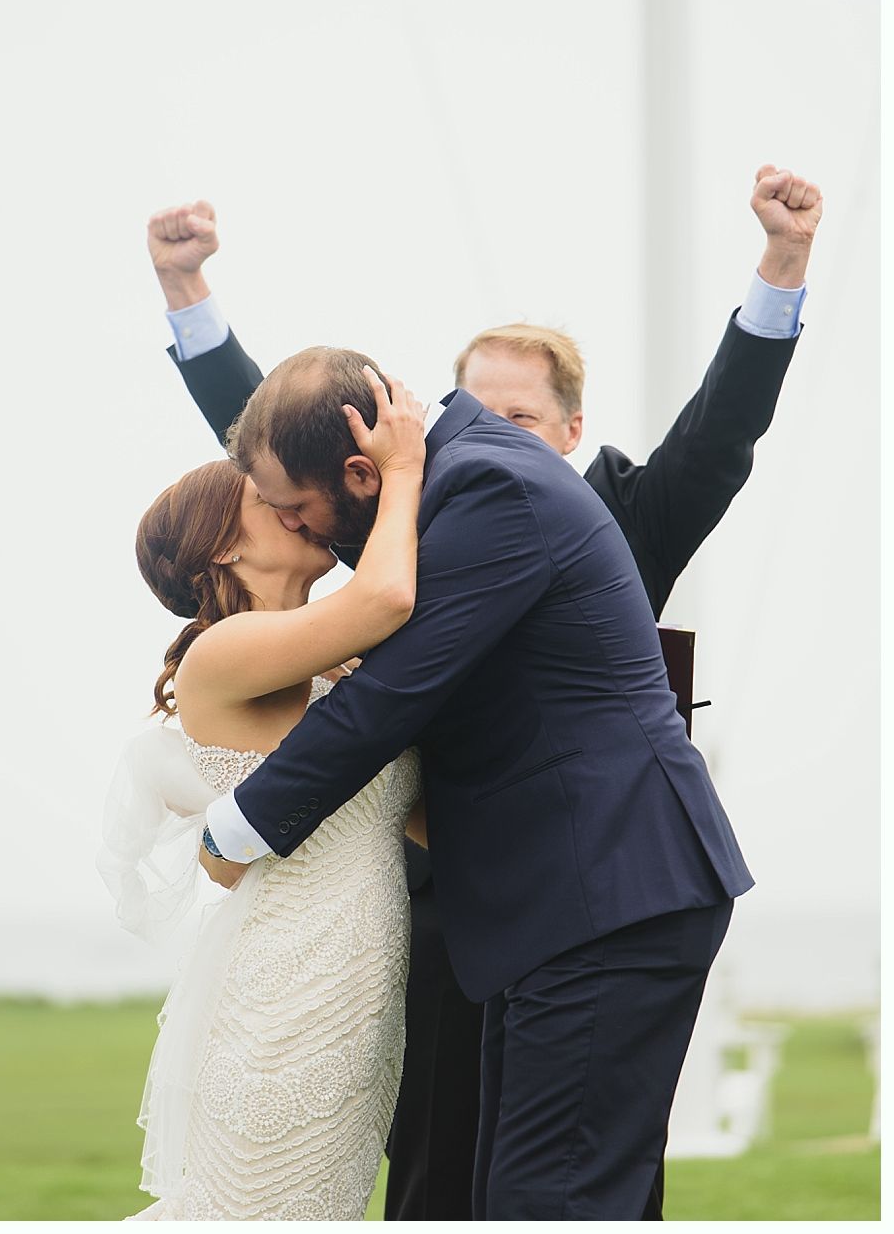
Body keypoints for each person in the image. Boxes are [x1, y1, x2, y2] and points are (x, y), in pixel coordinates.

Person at [146, 164, 822, 1218]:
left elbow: (389, 696)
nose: (298, 530)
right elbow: (283, 465)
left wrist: (237, 829)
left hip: (600, 888)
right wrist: (189, 301)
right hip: (511, 909)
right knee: (492, 1195)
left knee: (549, 1202)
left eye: (302, 510)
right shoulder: (420, 498)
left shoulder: (490, 492)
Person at [99, 374, 432, 1220]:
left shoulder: (340, 660)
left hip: (361, 988)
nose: (292, 506)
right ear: (223, 548)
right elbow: (391, 591)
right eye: (264, 500)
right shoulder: (222, 653)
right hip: (284, 997)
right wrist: (401, 470)